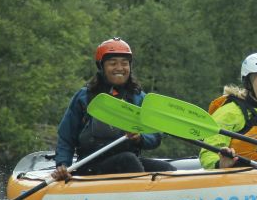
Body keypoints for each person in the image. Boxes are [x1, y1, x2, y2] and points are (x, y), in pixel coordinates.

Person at [51, 38, 174, 180]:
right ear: (102, 66)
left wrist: (141, 138)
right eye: (113, 63)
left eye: (124, 63)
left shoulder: (138, 97)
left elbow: (155, 135)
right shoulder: (84, 97)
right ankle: (140, 198)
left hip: (127, 163)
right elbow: (66, 137)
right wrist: (62, 165)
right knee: (127, 160)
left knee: (167, 170)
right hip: (90, 166)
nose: (120, 68)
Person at [199, 53, 257, 169]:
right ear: (248, 83)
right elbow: (209, 152)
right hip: (231, 180)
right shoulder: (229, 113)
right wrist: (220, 163)